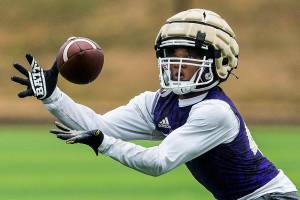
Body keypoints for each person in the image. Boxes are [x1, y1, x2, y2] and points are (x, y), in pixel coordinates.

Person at [11, 9, 299, 200]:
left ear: (219, 60)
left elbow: (157, 163)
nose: (177, 63)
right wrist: (53, 97)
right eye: (171, 53)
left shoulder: (215, 112)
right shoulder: (157, 102)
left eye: (190, 55)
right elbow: (100, 126)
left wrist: (103, 144)